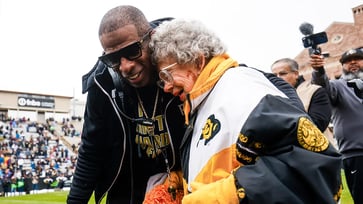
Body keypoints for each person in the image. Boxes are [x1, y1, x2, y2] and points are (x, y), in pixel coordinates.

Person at [150, 18, 342, 203]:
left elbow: (311, 167)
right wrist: (179, 184)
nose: (166, 87)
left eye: (167, 74)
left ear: (198, 61)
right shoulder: (205, 101)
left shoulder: (243, 89)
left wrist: (214, 199)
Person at [66, 5, 185, 204]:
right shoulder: (102, 84)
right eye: (112, 58)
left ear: (151, 38)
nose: (125, 66)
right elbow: (91, 150)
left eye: (132, 51)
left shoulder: (182, 61)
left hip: (186, 187)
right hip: (128, 192)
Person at [310, 47, 363, 204]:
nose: (352, 62)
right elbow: (322, 86)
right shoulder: (337, 86)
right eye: (347, 61)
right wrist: (318, 69)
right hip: (356, 155)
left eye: (357, 59)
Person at [271, 58, 332, 132]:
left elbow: (318, 125)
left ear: (296, 74)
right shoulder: (271, 97)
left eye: (283, 74)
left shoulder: (314, 91)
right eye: (274, 75)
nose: (278, 78)